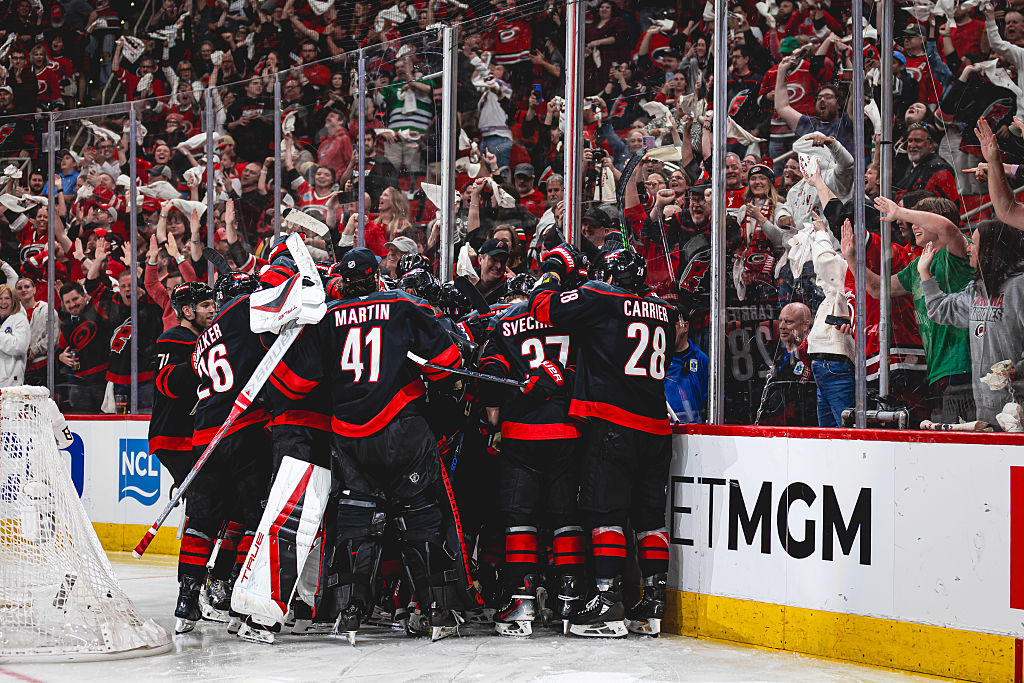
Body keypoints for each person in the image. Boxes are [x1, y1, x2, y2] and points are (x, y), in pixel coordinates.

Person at [258, 248, 465, 642]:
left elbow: (293, 386)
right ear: (376, 276)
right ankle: (438, 612)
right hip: (402, 429)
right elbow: (447, 362)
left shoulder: (327, 317)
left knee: (356, 521)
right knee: (419, 516)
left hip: (350, 436)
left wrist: (284, 337)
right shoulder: (403, 305)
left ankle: (350, 613)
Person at [529, 246, 676, 638]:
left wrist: (553, 270)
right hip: (657, 428)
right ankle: (654, 599)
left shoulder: (601, 294)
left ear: (609, 275)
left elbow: (542, 308)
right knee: (649, 520)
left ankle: (608, 601)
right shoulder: (664, 310)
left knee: (605, 514)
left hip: (613, 425)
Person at [478, 273, 582, 637]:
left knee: (519, 516)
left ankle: (520, 600)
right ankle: (569, 599)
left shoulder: (506, 323)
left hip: (521, 434)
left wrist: (495, 417)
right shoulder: (571, 317)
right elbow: (586, 368)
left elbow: (489, 372)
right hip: (568, 431)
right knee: (565, 514)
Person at [181, 271, 270, 640]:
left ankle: (186, 602)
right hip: (242, 428)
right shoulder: (246, 311)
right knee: (252, 518)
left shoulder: (204, 337)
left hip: (204, 436)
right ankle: (240, 602)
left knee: (202, 520)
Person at [148, 282, 228, 629]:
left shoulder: (201, 340)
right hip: (176, 437)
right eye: (206, 305)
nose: (212, 310)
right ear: (186, 311)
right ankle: (193, 594)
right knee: (205, 513)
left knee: (212, 510)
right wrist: (202, 359)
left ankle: (193, 594)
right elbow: (168, 384)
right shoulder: (174, 339)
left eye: (214, 304)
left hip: (191, 438)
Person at [758, 302, 817, 426]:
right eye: (780, 321)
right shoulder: (775, 351)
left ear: (805, 325)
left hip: (804, 424)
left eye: (788, 322)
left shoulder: (812, 353)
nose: (782, 326)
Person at [664, 305, 709, 424]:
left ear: (685, 326)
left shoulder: (701, 359)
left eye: (672, 326)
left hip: (694, 431)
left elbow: (710, 399)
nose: (667, 331)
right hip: (666, 428)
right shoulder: (660, 358)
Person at [0, 284, 30, 387]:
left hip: (11, 386)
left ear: (13, 301)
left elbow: (19, 347)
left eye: (7, 298)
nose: (3, 302)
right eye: (0, 298)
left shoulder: (20, 319)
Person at [475, 238, 511, 303]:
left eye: (503, 261)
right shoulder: (467, 281)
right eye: (494, 260)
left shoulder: (509, 290)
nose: (499, 266)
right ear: (480, 259)